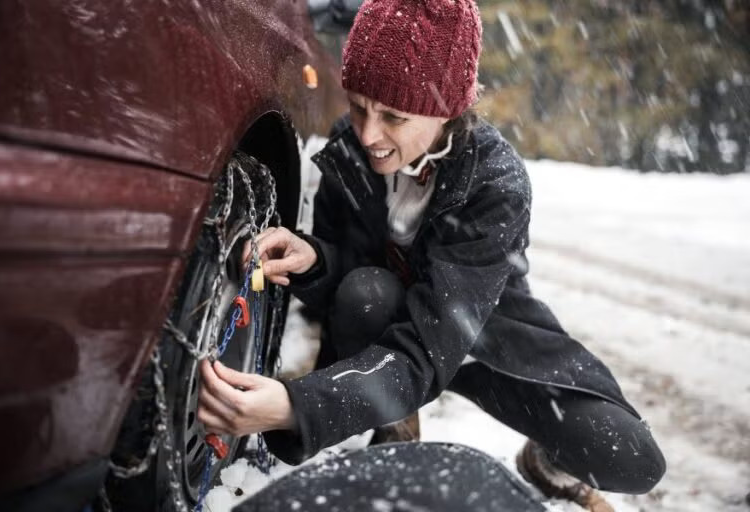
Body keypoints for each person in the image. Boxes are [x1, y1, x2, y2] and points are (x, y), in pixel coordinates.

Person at [197, 1, 666, 510]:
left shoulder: (495, 182)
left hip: (479, 335)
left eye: (394, 116)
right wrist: (316, 259)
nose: (368, 134)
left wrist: (295, 407)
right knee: (364, 293)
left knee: (631, 458)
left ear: (448, 109)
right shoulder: (350, 151)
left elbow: (428, 345)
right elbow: (352, 272)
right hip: (393, 327)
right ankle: (391, 431)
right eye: (358, 106)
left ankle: (544, 460)